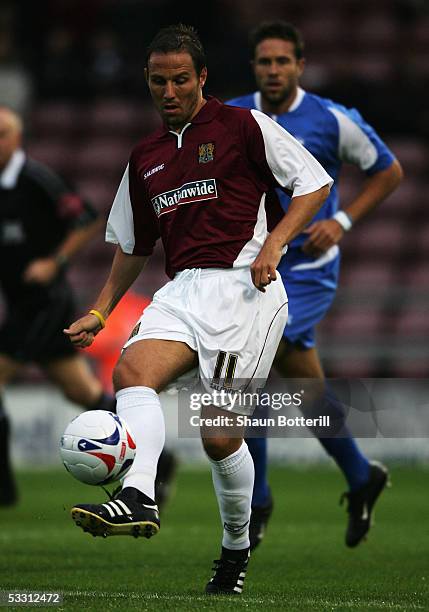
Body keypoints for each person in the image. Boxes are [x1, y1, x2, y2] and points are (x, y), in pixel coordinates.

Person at [64, 24, 332, 595]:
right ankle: (139, 493)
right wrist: (102, 309)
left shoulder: (242, 125)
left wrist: (276, 242)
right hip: (182, 289)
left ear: (202, 78)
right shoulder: (146, 157)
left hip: (246, 289)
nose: (169, 91)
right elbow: (134, 245)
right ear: (147, 81)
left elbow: (313, 184)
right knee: (131, 372)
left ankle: (235, 552)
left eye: (180, 79)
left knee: (218, 436)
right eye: (158, 81)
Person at [227, 21, 403, 551]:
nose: (274, 70)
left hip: (306, 269)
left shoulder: (331, 119)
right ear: (254, 66)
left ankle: (256, 502)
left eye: (283, 61)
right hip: (255, 265)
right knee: (308, 389)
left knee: (251, 365)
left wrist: (342, 221)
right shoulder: (235, 116)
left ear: (300, 66)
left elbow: (388, 171)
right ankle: (360, 475)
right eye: (265, 62)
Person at [0, 106, 116, 506]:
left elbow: (86, 218)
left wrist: (55, 262)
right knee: (80, 391)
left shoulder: (36, 179)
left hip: (45, 303)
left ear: (18, 138)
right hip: (19, 303)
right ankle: (156, 450)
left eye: (2, 134)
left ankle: (3, 490)